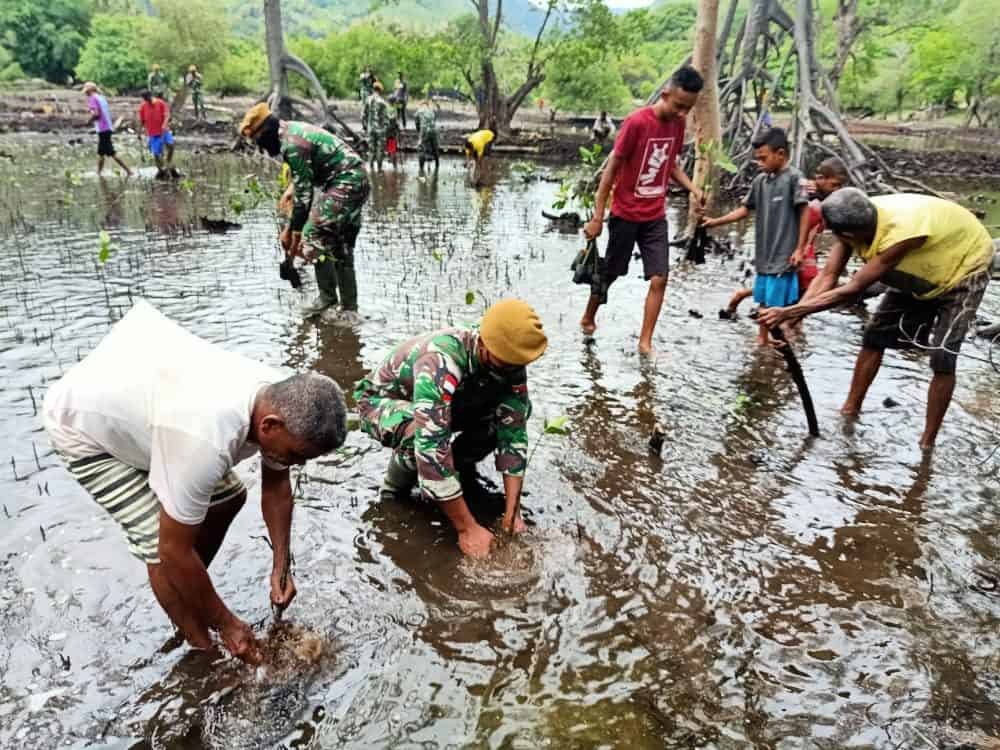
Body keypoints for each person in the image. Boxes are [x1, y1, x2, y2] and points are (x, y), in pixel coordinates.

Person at [42, 301, 348, 664]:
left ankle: (187, 591)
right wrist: (229, 624)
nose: (297, 464)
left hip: (149, 402)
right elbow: (170, 550)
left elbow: (276, 488)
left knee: (229, 498)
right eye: (297, 455)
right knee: (162, 549)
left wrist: (281, 564)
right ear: (269, 426)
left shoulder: (280, 401)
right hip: (85, 426)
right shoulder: (205, 438)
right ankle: (202, 649)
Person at [759, 188, 993, 449]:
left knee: (943, 357)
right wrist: (791, 322)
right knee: (874, 336)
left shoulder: (899, 235)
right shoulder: (852, 221)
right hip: (920, 268)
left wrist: (789, 312)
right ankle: (850, 410)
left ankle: (927, 443)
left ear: (847, 234)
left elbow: (854, 288)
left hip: (966, 265)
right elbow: (827, 277)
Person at [354, 298, 548, 558]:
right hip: (382, 404)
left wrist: (512, 513)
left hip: (445, 403)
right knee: (421, 436)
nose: (513, 371)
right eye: (506, 364)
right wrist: (467, 529)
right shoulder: (441, 359)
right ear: (484, 346)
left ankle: (459, 465)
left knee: (513, 413)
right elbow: (431, 443)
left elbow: (513, 432)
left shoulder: (508, 360)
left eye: (518, 365)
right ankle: (393, 494)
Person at [579, 65, 705, 355]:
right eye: (679, 106)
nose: (682, 114)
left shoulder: (678, 124)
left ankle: (645, 342)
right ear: (665, 94)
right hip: (625, 214)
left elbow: (671, 164)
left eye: (688, 109)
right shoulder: (636, 123)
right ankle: (589, 315)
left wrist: (692, 188)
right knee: (612, 272)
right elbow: (610, 171)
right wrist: (598, 217)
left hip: (654, 216)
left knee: (660, 277)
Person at [240, 102, 370, 322]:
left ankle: (327, 298)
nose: (261, 147)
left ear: (265, 131)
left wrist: (292, 230)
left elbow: (304, 197)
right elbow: (306, 174)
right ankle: (350, 309)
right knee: (341, 245)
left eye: (258, 141)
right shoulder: (292, 131)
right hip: (358, 179)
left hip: (345, 181)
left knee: (313, 234)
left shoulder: (291, 144)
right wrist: (292, 190)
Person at [702, 127, 809, 345]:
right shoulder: (760, 181)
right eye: (757, 159)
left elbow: (804, 211)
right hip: (764, 254)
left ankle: (779, 337)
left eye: (763, 158)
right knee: (763, 298)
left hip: (784, 254)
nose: (759, 163)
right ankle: (762, 340)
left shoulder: (795, 179)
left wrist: (800, 248)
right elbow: (744, 210)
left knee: (777, 302)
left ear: (780, 154)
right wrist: (715, 221)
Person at [716, 155, 848, 320]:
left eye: (840, 186)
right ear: (820, 178)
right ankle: (764, 321)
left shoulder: (820, 199)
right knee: (791, 291)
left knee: (795, 293)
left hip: (805, 252)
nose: (838, 190)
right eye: (835, 185)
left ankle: (777, 323)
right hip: (795, 252)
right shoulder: (807, 197)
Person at [82, 82, 130, 177]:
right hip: (107, 127)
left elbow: (96, 114)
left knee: (111, 153)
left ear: (90, 90)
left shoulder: (92, 98)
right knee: (101, 153)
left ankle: (129, 171)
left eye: (86, 91)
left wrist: (88, 121)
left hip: (103, 128)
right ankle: (99, 173)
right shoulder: (101, 97)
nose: (85, 93)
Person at [138, 90, 176, 179]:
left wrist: (164, 124)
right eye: (145, 99)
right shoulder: (143, 106)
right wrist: (139, 132)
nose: (147, 101)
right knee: (156, 153)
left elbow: (167, 115)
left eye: (148, 99)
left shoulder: (160, 103)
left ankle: (168, 162)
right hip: (152, 132)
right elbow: (142, 121)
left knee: (170, 145)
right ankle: (161, 169)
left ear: (151, 96)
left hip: (164, 131)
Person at [364, 81, 390, 171]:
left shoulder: (368, 100)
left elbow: (363, 115)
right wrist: (387, 128)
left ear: (373, 89)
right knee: (380, 150)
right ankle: (379, 169)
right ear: (380, 90)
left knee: (371, 150)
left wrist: (365, 126)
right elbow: (387, 118)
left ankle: (370, 169)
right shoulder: (383, 102)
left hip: (370, 128)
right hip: (380, 129)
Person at [415, 99, 439, 171]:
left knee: (421, 148)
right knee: (435, 147)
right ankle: (437, 164)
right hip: (434, 131)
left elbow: (417, 123)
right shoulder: (432, 111)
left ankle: (421, 168)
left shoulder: (419, 111)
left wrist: (419, 132)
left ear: (421, 105)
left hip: (424, 130)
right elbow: (434, 121)